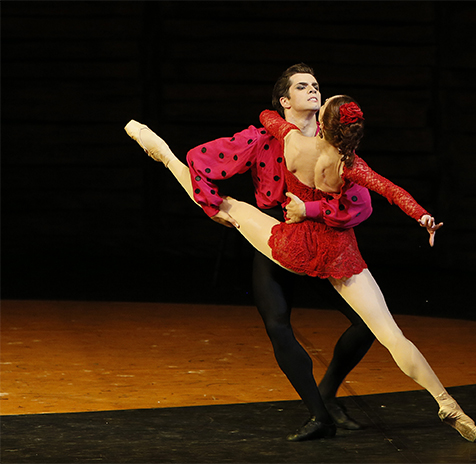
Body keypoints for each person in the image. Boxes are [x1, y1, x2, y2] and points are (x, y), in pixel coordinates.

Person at [125, 94, 476, 443]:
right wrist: (422, 215)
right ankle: (448, 405)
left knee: (229, 209)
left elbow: (268, 119)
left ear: (323, 125)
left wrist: (275, 115)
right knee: (392, 335)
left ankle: (163, 155)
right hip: (338, 254)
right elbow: (390, 190)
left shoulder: (294, 141)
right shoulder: (351, 166)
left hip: (293, 245)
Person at [126, 64, 376, 442]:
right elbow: (200, 158)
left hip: (323, 242)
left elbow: (359, 198)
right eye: (302, 86)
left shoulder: (334, 140)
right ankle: (319, 414)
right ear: (284, 100)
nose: (313, 90)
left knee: (366, 323)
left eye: (316, 85)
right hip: (275, 237)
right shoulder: (261, 137)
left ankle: (327, 393)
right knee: (277, 324)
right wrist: (214, 206)